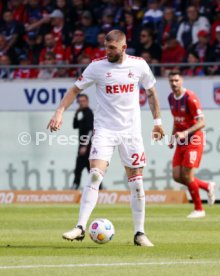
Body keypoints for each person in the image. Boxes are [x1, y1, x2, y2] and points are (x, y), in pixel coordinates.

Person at [47, 30, 165, 246]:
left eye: (111, 48)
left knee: (137, 184)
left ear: (123, 47)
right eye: (105, 47)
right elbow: (74, 90)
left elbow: (151, 93)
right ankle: (80, 227)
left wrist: (158, 123)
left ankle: (140, 233)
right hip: (104, 131)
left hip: (131, 132)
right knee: (94, 176)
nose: (107, 51)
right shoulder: (97, 67)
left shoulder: (139, 65)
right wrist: (59, 112)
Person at [167, 70, 216, 219]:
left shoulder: (190, 98)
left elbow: (202, 122)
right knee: (177, 176)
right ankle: (207, 186)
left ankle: (199, 209)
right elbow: (177, 119)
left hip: (194, 140)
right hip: (181, 141)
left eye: (176, 80)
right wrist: (172, 137)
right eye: (171, 81)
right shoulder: (171, 98)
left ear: (182, 80)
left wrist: (185, 133)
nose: (174, 84)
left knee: (187, 176)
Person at [72, 94, 94, 190]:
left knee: (91, 172)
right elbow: (75, 125)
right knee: (78, 170)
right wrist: (76, 114)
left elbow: (90, 130)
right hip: (82, 147)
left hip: (88, 148)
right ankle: (75, 188)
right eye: (79, 101)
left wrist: (85, 145)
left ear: (87, 101)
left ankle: (99, 190)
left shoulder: (89, 113)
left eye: (83, 101)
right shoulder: (82, 113)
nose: (81, 103)